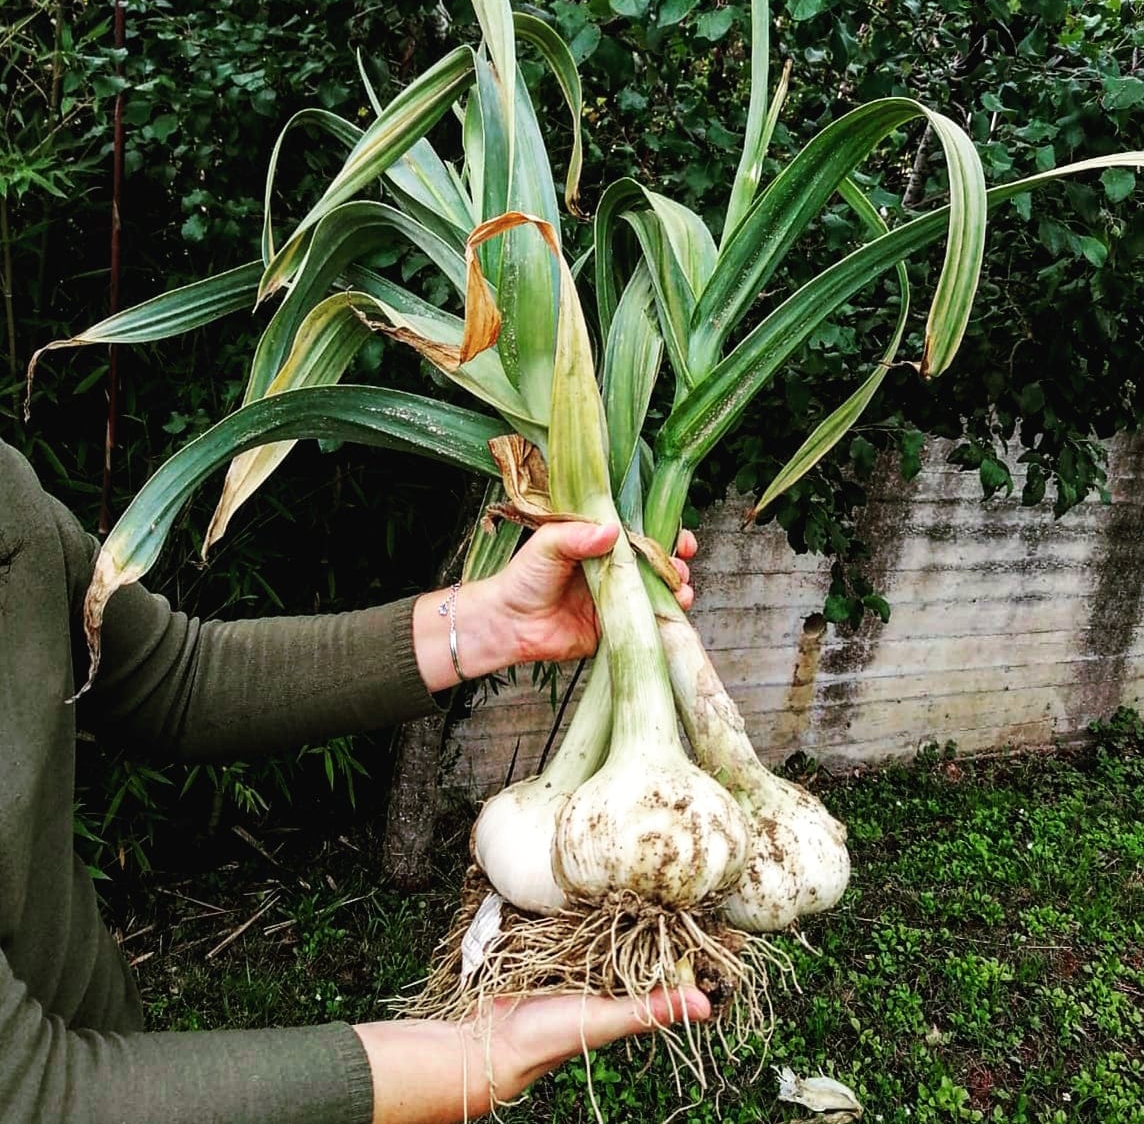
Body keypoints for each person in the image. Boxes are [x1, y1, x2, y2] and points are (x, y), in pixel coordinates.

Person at [0, 437, 709, 1124]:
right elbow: (39, 1097)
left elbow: (169, 674)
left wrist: (495, 623)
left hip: (107, 1022)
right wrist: (471, 1059)